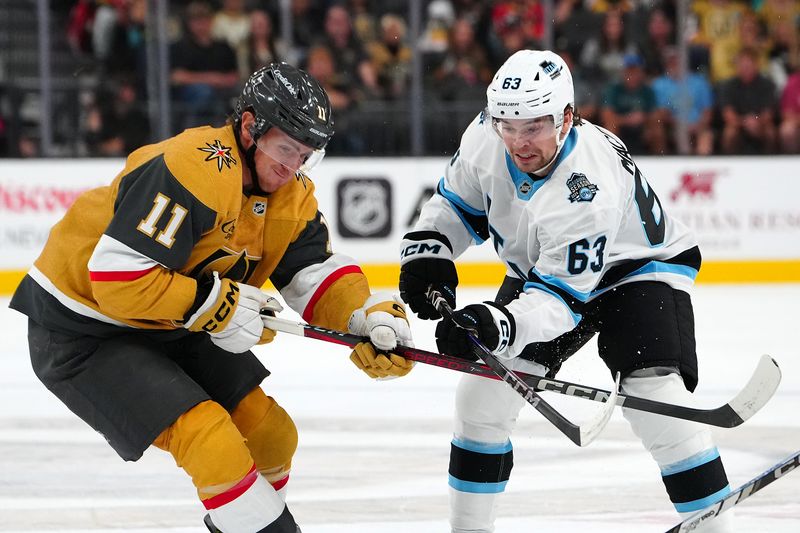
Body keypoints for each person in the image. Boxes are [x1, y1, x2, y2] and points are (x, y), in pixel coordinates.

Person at [9, 62, 414, 533]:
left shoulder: (291, 192)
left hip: (169, 317)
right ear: (249, 127)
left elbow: (310, 270)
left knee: (271, 435)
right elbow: (119, 277)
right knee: (210, 440)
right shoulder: (193, 168)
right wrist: (216, 306)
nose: (293, 169)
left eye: (306, 155)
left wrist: (362, 314)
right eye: (286, 149)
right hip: (84, 328)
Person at [399, 49, 735, 533]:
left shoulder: (585, 187)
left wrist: (499, 325)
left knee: (655, 395)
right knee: (481, 401)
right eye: (508, 125)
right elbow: (456, 206)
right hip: (545, 267)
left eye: (533, 126)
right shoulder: (484, 135)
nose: (517, 141)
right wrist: (430, 252)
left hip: (638, 268)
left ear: (567, 117)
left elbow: (560, 303)